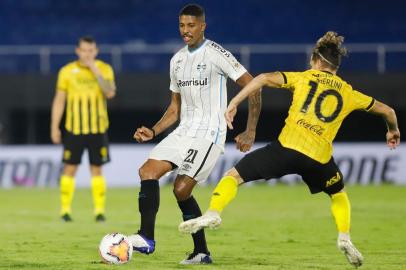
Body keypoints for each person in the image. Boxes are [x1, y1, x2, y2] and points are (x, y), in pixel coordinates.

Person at [179, 31, 401, 268]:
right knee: (338, 194)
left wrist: (234, 103)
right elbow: (388, 111)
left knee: (233, 176)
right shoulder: (349, 92)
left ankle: (214, 211)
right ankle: (344, 236)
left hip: (286, 150)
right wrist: (392, 130)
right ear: (336, 65)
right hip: (319, 160)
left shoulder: (303, 78)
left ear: (316, 59)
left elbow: (262, 78)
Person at [128, 3, 262, 265]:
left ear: (203, 26)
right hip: (184, 131)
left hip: (209, 133)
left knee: (181, 189)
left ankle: (201, 251)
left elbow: (254, 86)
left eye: (191, 26)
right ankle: (146, 238)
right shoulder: (176, 60)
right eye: (181, 25)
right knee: (147, 172)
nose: (185, 31)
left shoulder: (215, 53)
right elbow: (174, 109)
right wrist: (153, 131)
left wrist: (251, 129)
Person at [50, 36, 116, 222]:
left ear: (95, 51)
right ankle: (65, 211)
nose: (87, 54)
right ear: (77, 51)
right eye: (84, 50)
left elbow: (109, 92)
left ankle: (99, 212)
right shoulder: (67, 71)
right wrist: (54, 127)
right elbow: (59, 100)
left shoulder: (104, 69)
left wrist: (95, 70)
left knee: (97, 169)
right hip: (74, 129)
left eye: (91, 50)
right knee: (69, 169)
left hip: (98, 128)